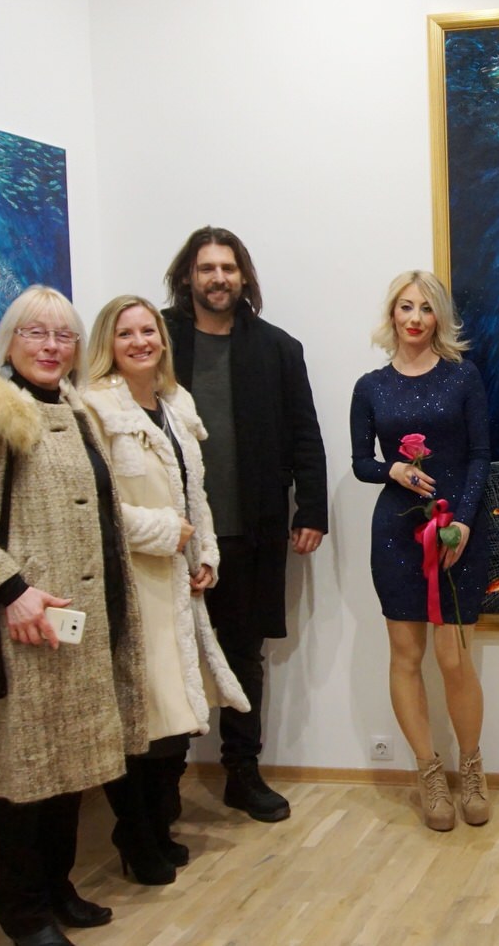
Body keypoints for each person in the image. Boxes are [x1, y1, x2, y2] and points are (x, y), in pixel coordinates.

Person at [0, 286, 146, 946]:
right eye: (35, 333)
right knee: (20, 779)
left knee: (66, 770)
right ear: (10, 339)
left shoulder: (74, 409)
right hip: (21, 631)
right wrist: (11, 590)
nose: (51, 347)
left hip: (79, 628)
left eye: (64, 335)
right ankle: (21, 912)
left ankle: (56, 886)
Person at [162, 227, 329, 822]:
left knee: (242, 655)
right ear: (188, 276)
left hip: (249, 529)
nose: (218, 279)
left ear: (243, 277)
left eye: (228, 268)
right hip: (170, 536)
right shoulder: (155, 339)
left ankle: (242, 772)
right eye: (206, 268)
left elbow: (305, 433)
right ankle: (162, 786)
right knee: (167, 656)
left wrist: (312, 509)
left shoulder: (278, 348)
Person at [83, 296, 251, 883]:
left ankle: (159, 827)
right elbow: (93, 505)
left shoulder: (177, 404)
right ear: (108, 344)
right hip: (133, 584)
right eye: (125, 333)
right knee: (143, 718)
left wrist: (205, 553)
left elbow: (194, 492)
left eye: (148, 330)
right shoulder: (94, 409)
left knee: (178, 716)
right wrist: (161, 531)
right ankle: (136, 835)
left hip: (180, 582)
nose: (140, 342)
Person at [350, 270, 492, 831]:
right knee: (405, 657)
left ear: (439, 318)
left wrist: (464, 523)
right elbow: (362, 463)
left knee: (454, 658)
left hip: (458, 533)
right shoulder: (370, 386)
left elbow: (480, 455)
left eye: (426, 308)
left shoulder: (464, 377)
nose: (415, 318)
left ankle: (472, 769)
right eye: (405, 307)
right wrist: (394, 470)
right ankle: (429, 773)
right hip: (396, 533)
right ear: (392, 314)